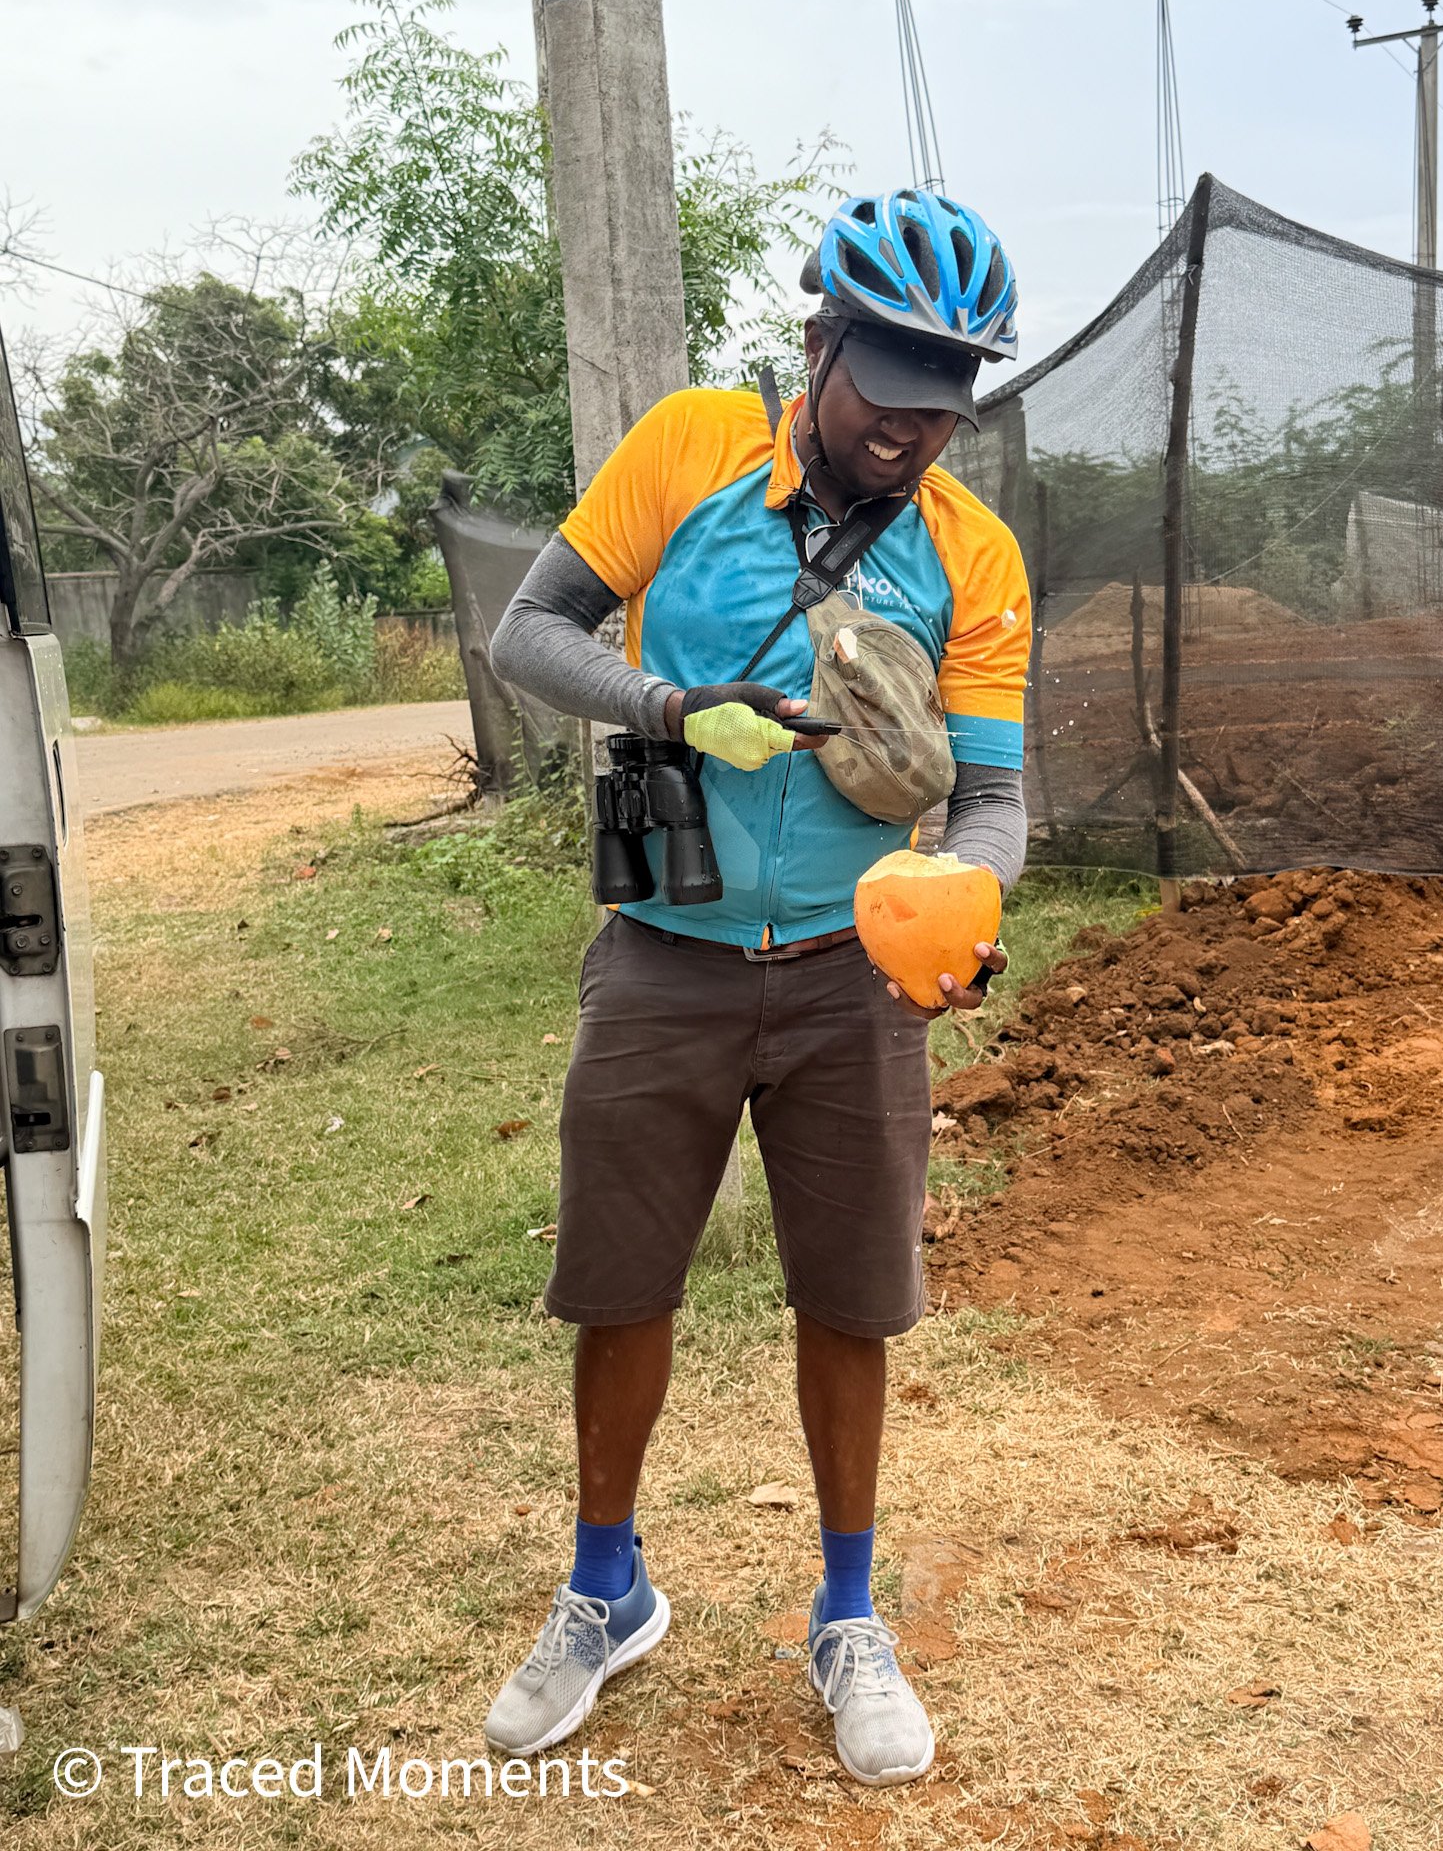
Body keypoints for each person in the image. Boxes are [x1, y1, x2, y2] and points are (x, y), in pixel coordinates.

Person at [484, 187, 1031, 1786]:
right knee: (618, 1284)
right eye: (888, 388)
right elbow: (531, 633)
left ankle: (848, 1615)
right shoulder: (691, 450)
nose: (911, 430)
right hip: (667, 957)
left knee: (853, 1300)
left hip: (854, 987)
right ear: (820, 347)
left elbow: (994, 794)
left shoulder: (971, 553)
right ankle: (606, 1588)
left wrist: (969, 893)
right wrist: (668, 704)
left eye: (947, 398)